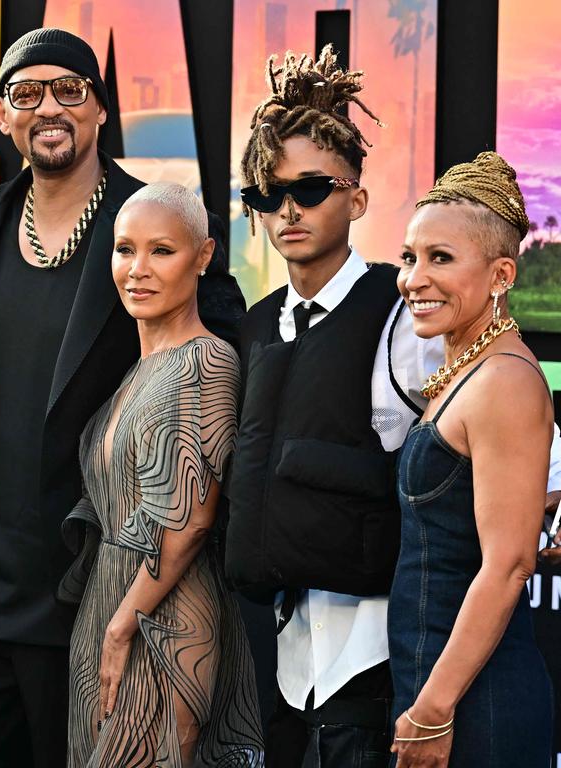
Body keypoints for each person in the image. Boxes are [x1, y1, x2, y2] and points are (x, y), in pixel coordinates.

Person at [0, 28, 246, 767]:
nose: (48, 107)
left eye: (70, 89)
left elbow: (210, 369)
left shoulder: (150, 220)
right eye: (25, 93)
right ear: (2, 116)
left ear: (99, 109)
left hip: (91, 597)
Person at [223, 48, 561, 768]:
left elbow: (518, 522)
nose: (288, 209)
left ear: (355, 198)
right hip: (303, 669)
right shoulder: (259, 326)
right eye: (266, 193)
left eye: (310, 188)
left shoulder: (413, 328)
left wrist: (550, 503)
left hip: (403, 676)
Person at [64, 183, 263, 767]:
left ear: (202, 257)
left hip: (162, 626)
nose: (138, 270)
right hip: (109, 611)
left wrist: (122, 628)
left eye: (162, 251)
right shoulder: (138, 370)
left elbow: (192, 521)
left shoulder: (207, 360)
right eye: (126, 250)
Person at [388, 151, 553, 767]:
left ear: (502, 274)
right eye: (410, 257)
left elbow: (509, 566)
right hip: (438, 682)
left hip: (473, 703)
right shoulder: (468, 369)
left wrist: (433, 711)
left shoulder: (503, 380)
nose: (413, 278)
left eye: (441, 259)